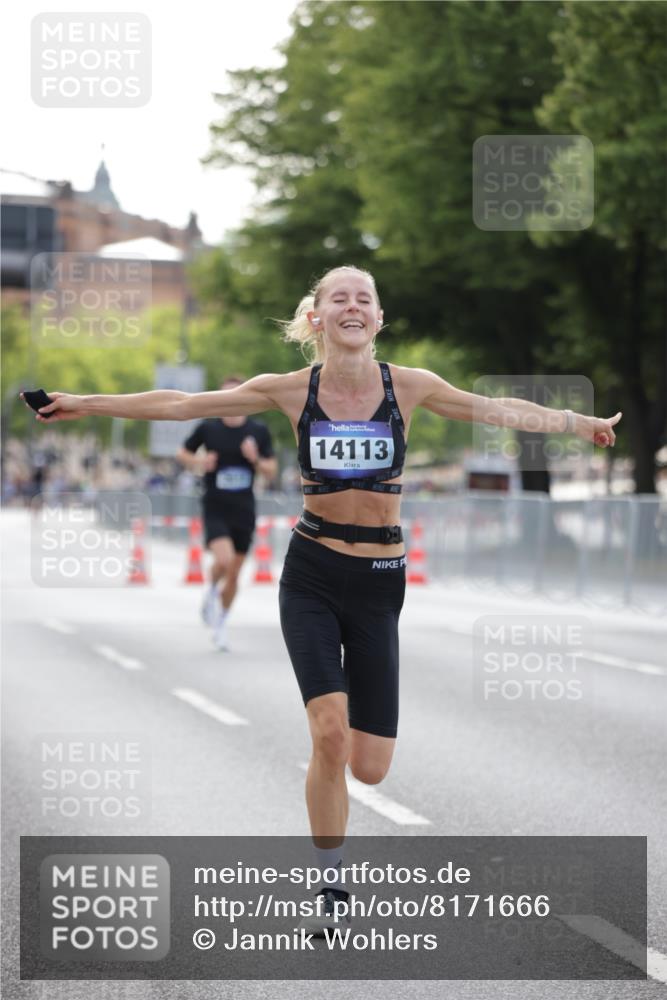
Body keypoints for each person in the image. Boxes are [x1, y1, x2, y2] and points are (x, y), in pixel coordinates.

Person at [20, 264, 622, 933]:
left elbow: (497, 409)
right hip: (310, 575)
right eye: (339, 298)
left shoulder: (410, 387)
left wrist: (578, 421)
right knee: (329, 734)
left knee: (369, 766)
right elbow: (177, 405)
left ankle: (340, 814)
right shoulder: (287, 390)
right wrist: (88, 402)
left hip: (379, 584)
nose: (352, 306)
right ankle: (331, 885)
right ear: (318, 318)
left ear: (378, 318)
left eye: (364, 298)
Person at [175, 374, 277, 650]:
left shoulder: (258, 431)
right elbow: (182, 454)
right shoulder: (209, 429)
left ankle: (221, 622)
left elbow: (271, 470)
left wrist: (254, 458)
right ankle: (210, 592)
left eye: (234, 396)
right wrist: (200, 461)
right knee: (225, 559)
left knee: (234, 574)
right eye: (224, 396)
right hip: (215, 505)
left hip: (244, 509)